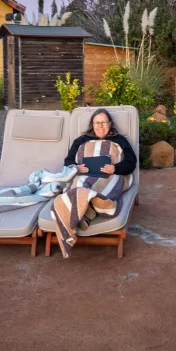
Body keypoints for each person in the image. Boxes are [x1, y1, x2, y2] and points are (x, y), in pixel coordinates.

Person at [52, 109, 136, 258]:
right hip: (85, 175)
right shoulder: (81, 140)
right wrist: (76, 167)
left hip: (110, 175)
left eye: (104, 122)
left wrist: (115, 168)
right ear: (92, 124)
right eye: (97, 123)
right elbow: (68, 161)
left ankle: (86, 209)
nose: (101, 126)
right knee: (78, 185)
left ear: (110, 124)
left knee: (109, 186)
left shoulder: (120, 140)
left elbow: (131, 163)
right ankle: (90, 206)